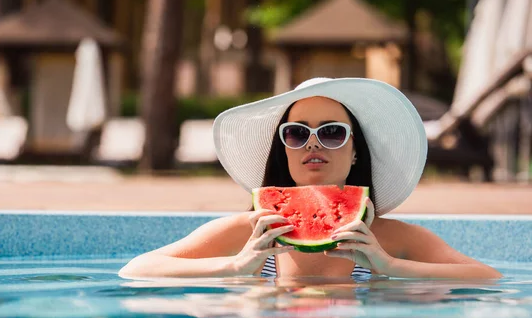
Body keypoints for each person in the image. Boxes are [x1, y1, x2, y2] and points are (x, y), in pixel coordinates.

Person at [119, 78, 501, 280]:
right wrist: (235, 266)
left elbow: (486, 277)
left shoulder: (389, 239)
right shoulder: (252, 232)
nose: (312, 143)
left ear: (355, 151)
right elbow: (136, 269)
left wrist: (390, 266)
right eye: (297, 133)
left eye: (332, 132)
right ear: (284, 149)